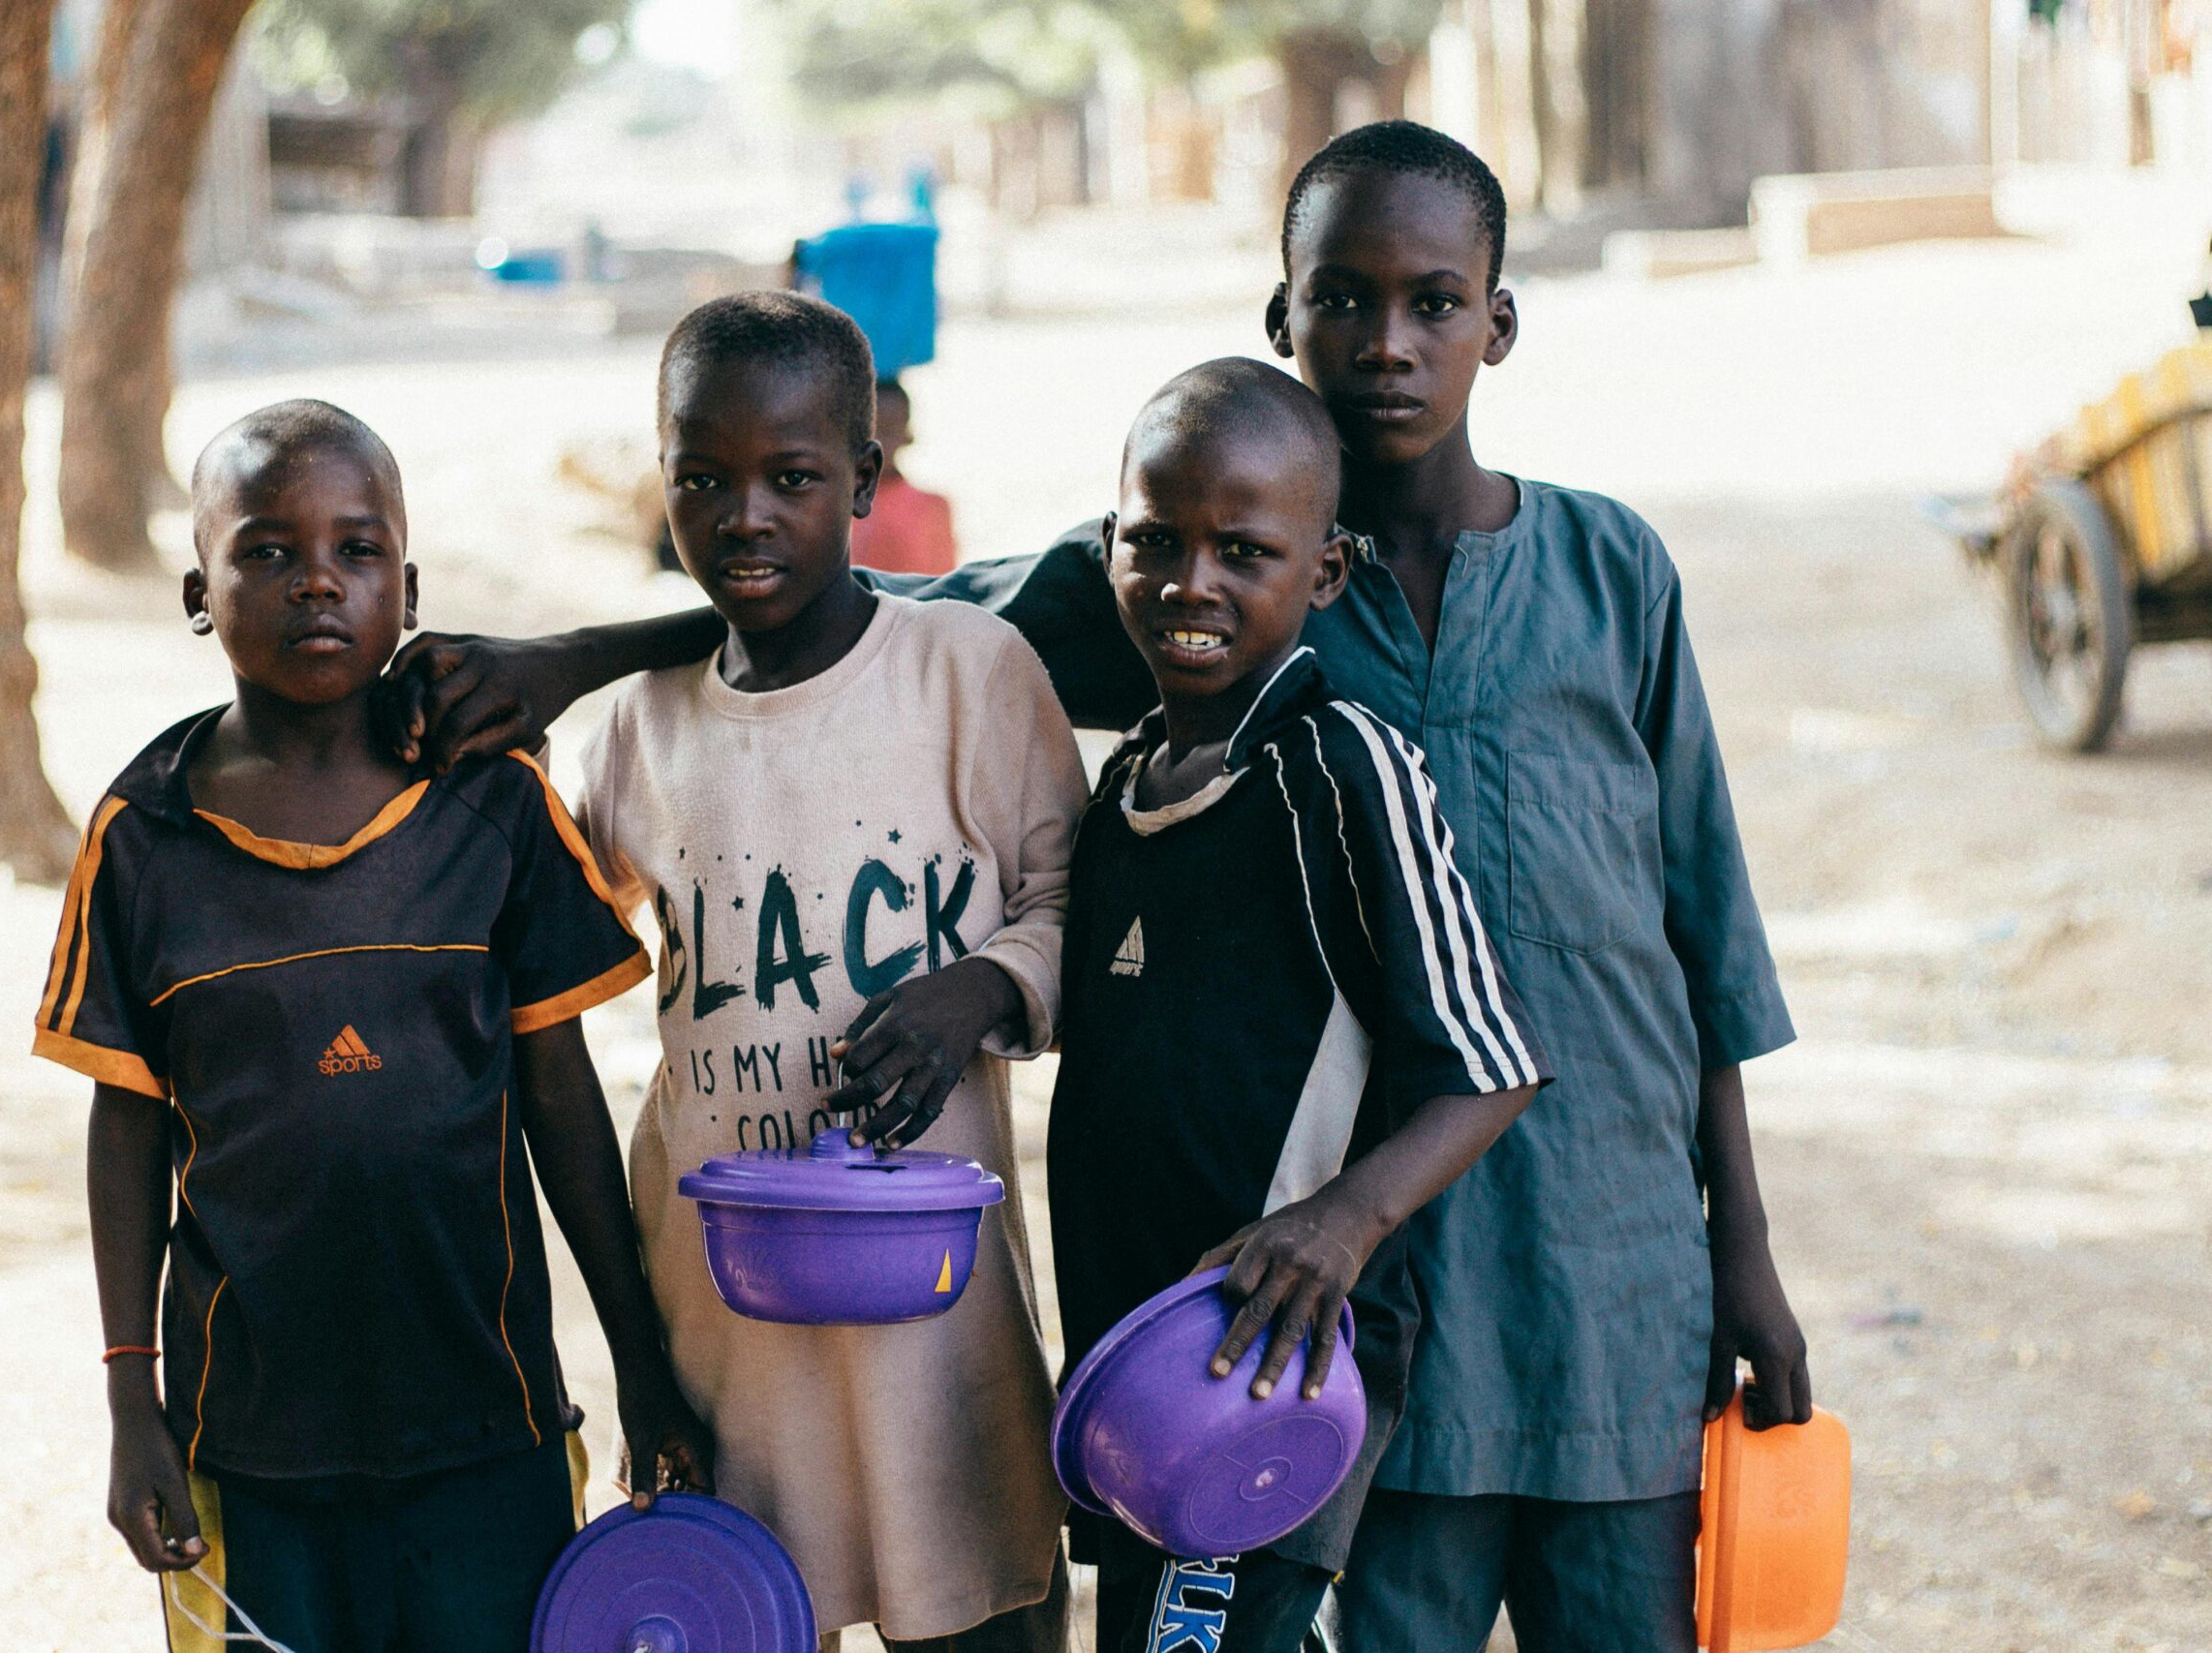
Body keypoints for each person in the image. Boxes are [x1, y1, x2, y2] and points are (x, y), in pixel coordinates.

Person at [385, 119, 1809, 1652]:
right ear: (1283, 314)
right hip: (1333, 1301)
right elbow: (831, 598)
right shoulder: (1153, 566)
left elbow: (1698, 928)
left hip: (1613, 1253)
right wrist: (577, 657)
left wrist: (1748, 1249)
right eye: (1339, 299)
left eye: (1433, 303)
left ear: (1498, 319)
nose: (1384, 343)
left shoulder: (1613, 571)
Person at [35, 399, 710, 1653]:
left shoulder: (490, 804)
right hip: (248, 1439)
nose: (318, 584)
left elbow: (562, 1100)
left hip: (487, 1423)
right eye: (269, 551)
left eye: (357, 550)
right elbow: (124, 1126)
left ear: (410, 585)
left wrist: (644, 1360)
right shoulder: (145, 834)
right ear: (199, 590)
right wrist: (132, 1399)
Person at [574, 291, 1082, 1652]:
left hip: (940, 1327)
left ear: (864, 477)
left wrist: (980, 986)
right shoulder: (638, 727)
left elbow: (1077, 903)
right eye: (704, 478)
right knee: (747, 1609)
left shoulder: (969, 673)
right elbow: (551, 953)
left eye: (792, 477)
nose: (746, 515)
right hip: (724, 1322)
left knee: (977, 1606)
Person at [1051, 358, 1546, 1653]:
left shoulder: (1344, 763)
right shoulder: (1119, 791)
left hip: (1272, 1362)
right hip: (1140, 1363)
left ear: (1322, 572)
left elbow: (1490, 1061)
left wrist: (1341, 1220)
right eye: (1156, 540)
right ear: (1112, 545)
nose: (1191, 581)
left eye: (1243, 549)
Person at [848, 380, 959, 576]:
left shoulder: (932, 507)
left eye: (890, 430)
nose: (880, 442)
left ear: (906, 433)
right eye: (872, 430)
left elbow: (943, 585)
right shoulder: (831, 505)